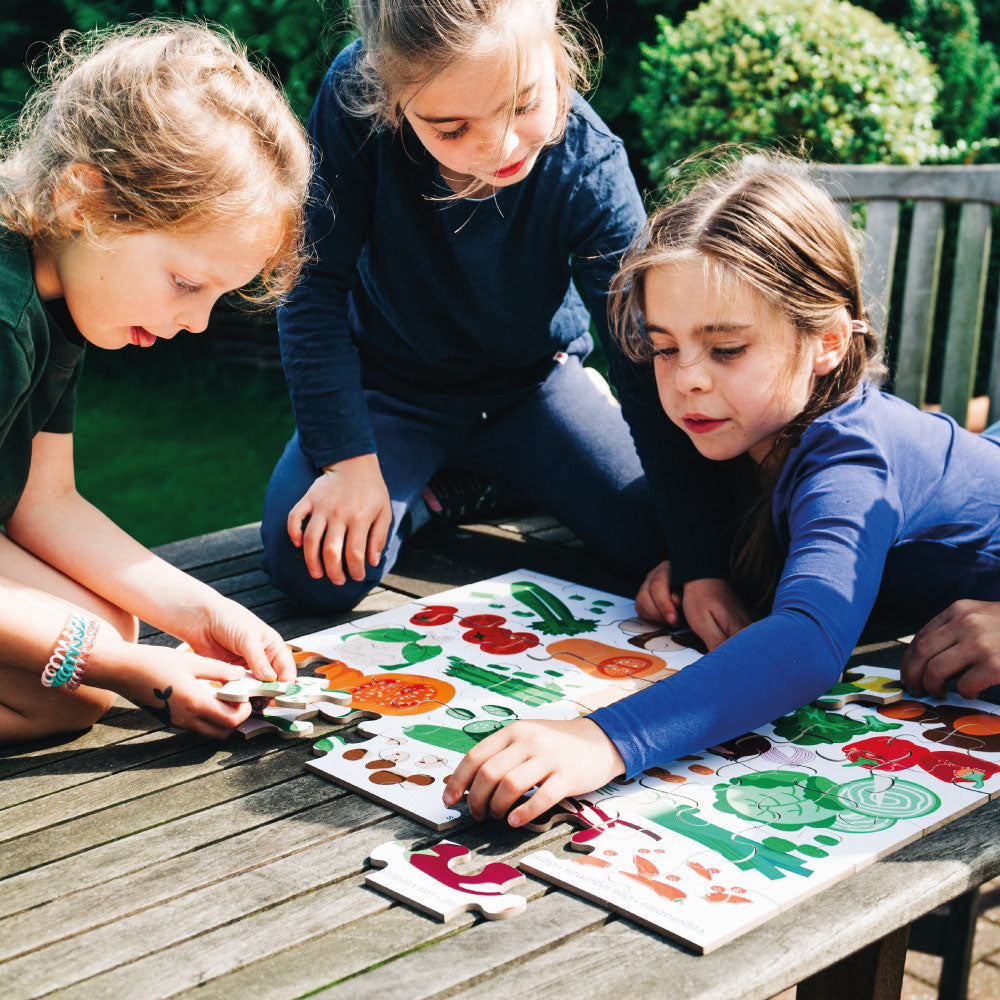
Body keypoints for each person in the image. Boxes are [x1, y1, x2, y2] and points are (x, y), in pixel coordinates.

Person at [443, 152, 1000, 826]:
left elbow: (806, 644)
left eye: (726, 348)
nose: (688, 379)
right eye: (664, 347)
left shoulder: (853, 459)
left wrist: (601, 740)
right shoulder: (738, 424)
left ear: (827, 342)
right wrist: (703, 557)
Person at [260, 0, 667, 611]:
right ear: (390, 100)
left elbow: (640, 351)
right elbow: (311, 283)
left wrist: (700, 563)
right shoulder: (352, 97)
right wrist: (348, 462)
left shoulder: (589, 162)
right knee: (314, 565)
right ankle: (442, 491)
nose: (500, 146)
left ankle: (496, 473)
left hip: (535, 387)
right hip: (391, 390)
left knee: (661, 535)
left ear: (556, 50)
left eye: (524, 105)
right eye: (452, 129)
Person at [0, 20, 313, 745]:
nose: (197, 323)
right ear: (82, 202)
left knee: (108, 632)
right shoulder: (6, 318)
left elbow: (43, 500)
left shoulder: (59, 291)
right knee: (82, 680)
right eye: (185, 283)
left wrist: (203, 614)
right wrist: (124, 668)